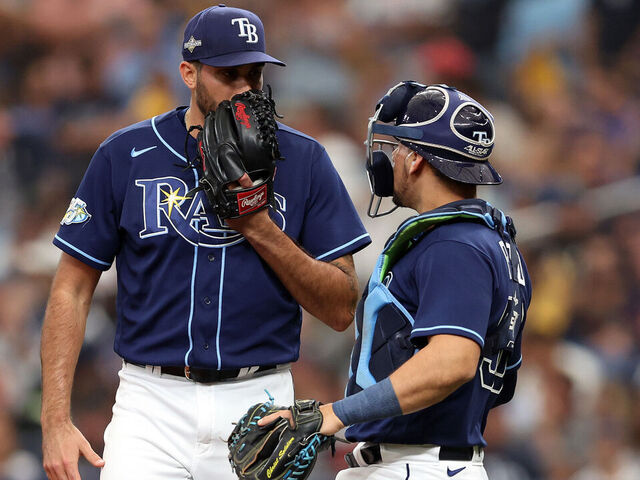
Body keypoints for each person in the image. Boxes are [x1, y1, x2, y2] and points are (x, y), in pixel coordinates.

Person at [40, 5, 370, 480]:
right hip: (150, 401)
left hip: (258, 401)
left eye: (253, 75)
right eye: (227, 74)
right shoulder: (126, 154)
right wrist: (55, 418)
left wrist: (258, 228)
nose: (244, 89)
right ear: (188, 73)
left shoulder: (302, 160)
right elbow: (70, 287)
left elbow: (340, 309)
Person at [261, 82, 532, 479]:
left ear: (417, 160)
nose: (390, 159)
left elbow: (451, 362)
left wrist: (334, 415)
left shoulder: (454, 245)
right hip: (422, 459)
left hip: (417, 465)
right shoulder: (487, 240)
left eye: (398, 147)